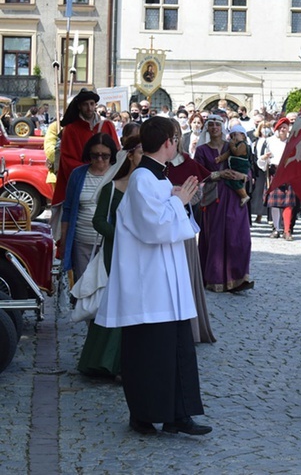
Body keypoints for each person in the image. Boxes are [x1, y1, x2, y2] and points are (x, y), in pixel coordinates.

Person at [95, 116, 211, 436]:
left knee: (175, 350)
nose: (178, 144)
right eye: (176, 139)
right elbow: (154, 228)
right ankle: (144, 415)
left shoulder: (156, 179)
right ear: (168, 143)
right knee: (149, 354)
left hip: (167, 284)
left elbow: (170, 219)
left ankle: (178, 415)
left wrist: (177, 201)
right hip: (150, 287)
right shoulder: (143, 179)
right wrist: (178, 202)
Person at [77, 136, 143, 378]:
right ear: (129, 156)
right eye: (140, 152)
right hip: (115, 251)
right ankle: (106, 362)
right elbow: (98, 221)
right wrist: (120, 236)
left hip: (142, 253)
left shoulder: (150, 185)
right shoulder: (112, 187)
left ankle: (128, 362)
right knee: (116, 301)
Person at [165, 118, 216, 343]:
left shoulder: (187, 162)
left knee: (183, 278)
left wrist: (181, 197)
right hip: (156, 231)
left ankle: (188, 330)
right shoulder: (148, 166)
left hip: (180, 228)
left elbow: (196, 197)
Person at [194, 115, 253, 292]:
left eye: (217, 124)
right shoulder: (202, 150)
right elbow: (198, 174)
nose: (214, 128)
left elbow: (247, 166)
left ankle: (239, 277)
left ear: (223, 127)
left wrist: (243, 176)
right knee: (216, 237)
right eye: (210, 125)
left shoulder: (233, 146)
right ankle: (216, 277)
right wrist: (219, 174)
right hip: (214, 198)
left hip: (236, 197)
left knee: (239, 237)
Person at [51, 89, 120, 222]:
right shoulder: (71, 129)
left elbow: (116, 152)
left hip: (106, 178)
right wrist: (90, 171)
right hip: (83, 183)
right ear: (79, 106)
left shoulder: (107, 125)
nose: (89, 108)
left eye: (92, 104)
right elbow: (67, 159)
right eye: (85, 104)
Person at [60, 133, 118, 282]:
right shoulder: (78, 175)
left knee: (108, 287)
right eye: (95, 155)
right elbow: (67, 210)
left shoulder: (118, 175)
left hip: (110, 243)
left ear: (112, 155)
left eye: (105, 156)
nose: (99, 159)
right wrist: (64, 241)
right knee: (84, 287)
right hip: (82, 242)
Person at [260, 117, 298, 240]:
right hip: (273, 172)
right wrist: (264, 158)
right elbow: (260, 160)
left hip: (288, 173)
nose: (283, 129)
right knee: (274, 204)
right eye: (280, 127)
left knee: (288, 203)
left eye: (285, 127)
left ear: (288, 129)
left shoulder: (292, 142)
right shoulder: (269, 141)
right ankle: (276, 229)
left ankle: (287, 231)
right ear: (276, 128)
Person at [213, 124, 253, 206]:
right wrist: (220, 158)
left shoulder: (242, 145)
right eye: (232, 136)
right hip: (219, 190)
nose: (233, 138)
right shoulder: (233, 146)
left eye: (235, 135)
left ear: (243, 135)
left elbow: (236, 152)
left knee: (236, 182)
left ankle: (244, 195)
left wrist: (243, 176)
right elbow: (228, 153)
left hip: (240, 167)